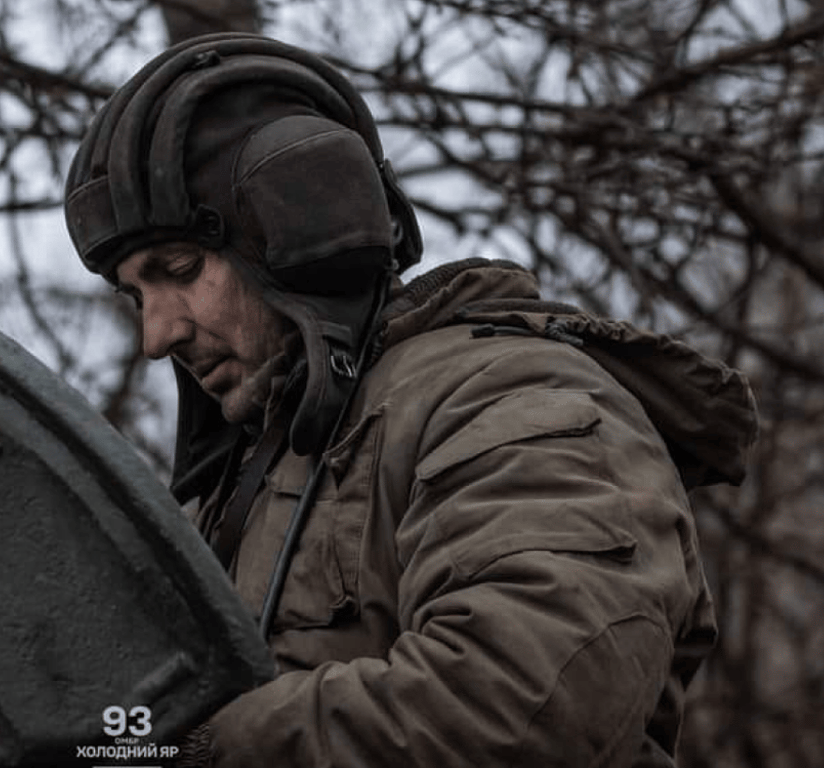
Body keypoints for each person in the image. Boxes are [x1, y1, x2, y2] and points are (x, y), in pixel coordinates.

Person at [64, 33, 758, 767]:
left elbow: (528, 709)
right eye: (135, 296)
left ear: (297, 230)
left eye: (177, 269)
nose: (157, 334)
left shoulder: (510, 399)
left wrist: (199, 745)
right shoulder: (244, 485)